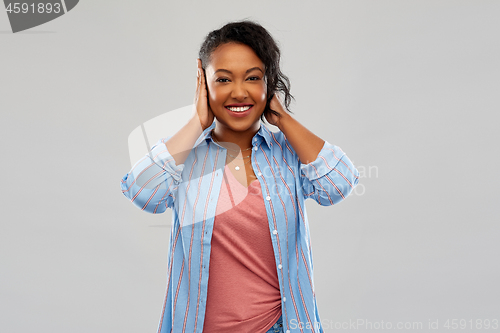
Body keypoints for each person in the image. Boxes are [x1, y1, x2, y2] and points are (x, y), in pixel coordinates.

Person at [121, 20, 359, 333]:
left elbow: (340, 182)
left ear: (268, 83)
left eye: (253, 78)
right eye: (223, 79)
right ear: (203, 84)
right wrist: (197, 121)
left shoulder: (287, 155)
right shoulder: (185, 159)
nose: (238, 92)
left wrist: (282, 118)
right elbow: (142, 191)